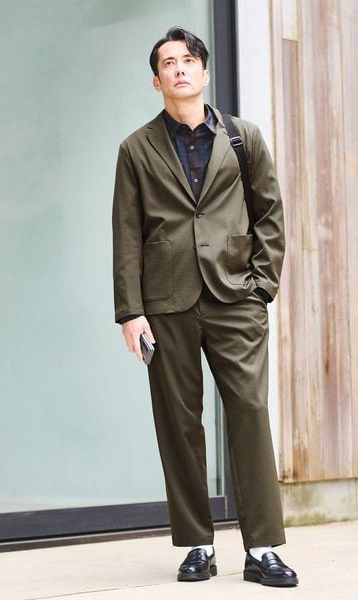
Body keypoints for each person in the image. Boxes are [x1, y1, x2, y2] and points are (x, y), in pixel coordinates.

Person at [112, 26, 298, 587]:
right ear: (157, 80)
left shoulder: (243, 138)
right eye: (168, 63)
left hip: (236, 298)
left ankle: (262, 548)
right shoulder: (136, 148)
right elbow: (126, 233)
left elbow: (270, 215)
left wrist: (261, 288)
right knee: (179, 424)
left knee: (250, 413)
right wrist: (130, 312)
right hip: (165, 304)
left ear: (205, 72)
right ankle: (197, 544)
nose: (180, 69)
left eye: (189, 60)